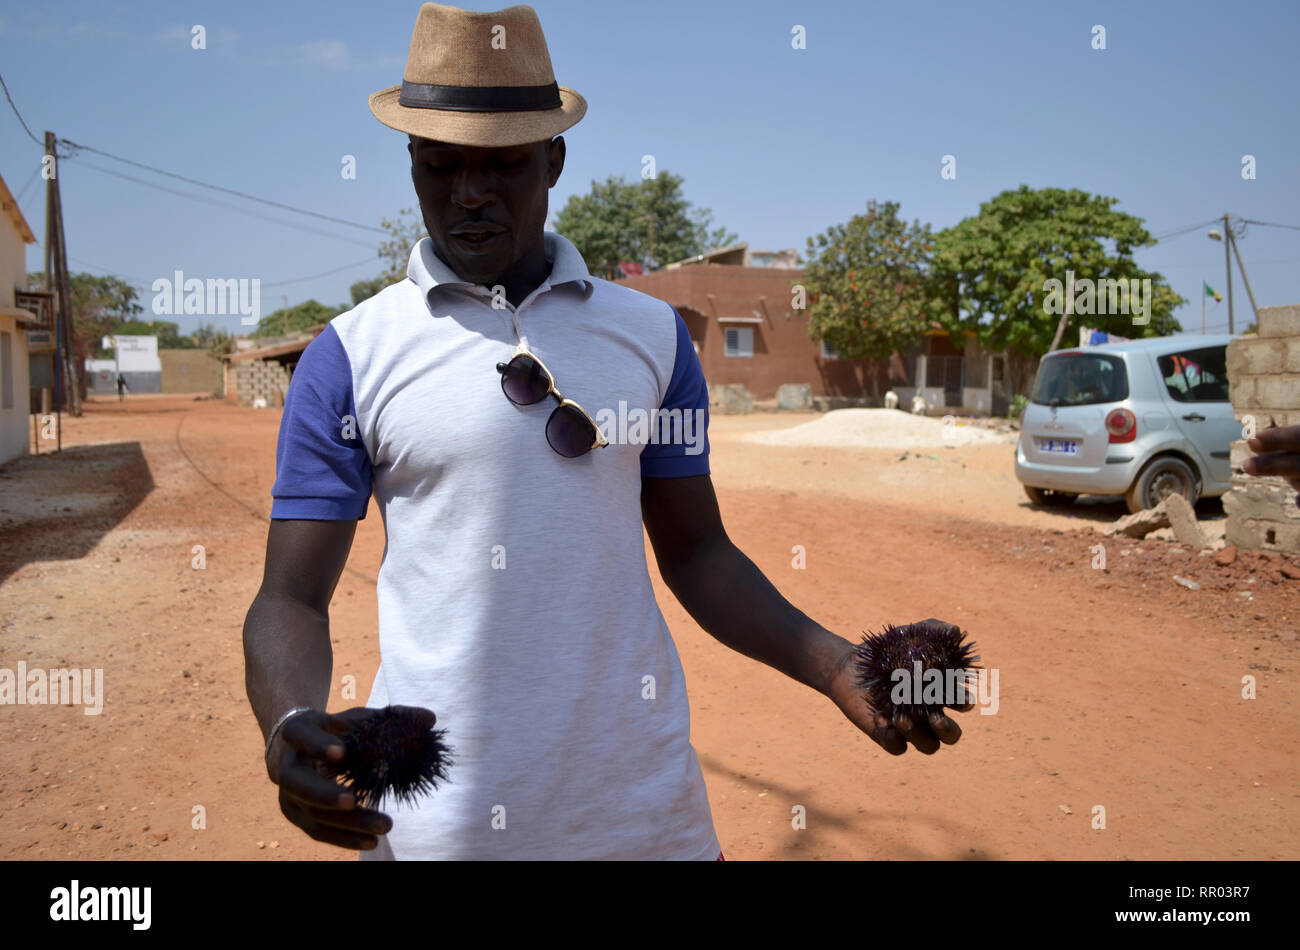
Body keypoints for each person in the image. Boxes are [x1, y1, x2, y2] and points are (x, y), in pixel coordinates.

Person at [243, 2, 971, 861]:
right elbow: (290, 599)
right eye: (439, 167)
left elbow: (699, 553)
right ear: (410, 163)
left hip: (645, 820)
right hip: (441, 830)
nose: (468, 195)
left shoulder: (652, 337)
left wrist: (837, 667)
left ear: (553, 160)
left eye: (502, 166)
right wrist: (290, 722)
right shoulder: (352, 355)